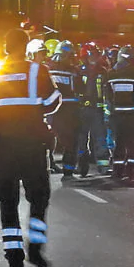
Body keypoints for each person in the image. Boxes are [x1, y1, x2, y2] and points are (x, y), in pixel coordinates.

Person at [0, 29, 61, 267]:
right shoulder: (39, 71)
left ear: (6, 47)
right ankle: (35, 249)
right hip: (32, 146)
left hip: (4, 146)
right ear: (26, 47)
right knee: (39, 199)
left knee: (7, 201)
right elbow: (53, 101)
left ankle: (13, 257)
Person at [105, 46, 134, 180]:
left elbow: (108, 97)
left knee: (119, 144)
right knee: (133, 143)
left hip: (117, 116)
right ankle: (132, 171)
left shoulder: (111, 76)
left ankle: (117, 171)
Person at [47, 40, 83, 179]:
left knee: (48, 138)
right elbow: (80, 89)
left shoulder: (48, 68)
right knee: (70, 141)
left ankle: (49, 164)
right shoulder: (74, 71)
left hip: (51, 109)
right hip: (69, 110)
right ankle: (68, 169)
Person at [77, 42, 110, 174]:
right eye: (92, 55)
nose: (94, 58)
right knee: (81, 139)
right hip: (83, 110)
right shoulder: (78, 71)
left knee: (100, 138)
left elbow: (107, 91)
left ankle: (103, 165)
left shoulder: (103, 71)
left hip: (98, 110)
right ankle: (81, 165)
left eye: (96, 55)